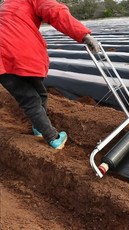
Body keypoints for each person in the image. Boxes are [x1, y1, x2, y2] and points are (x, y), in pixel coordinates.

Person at [0, 0, 100, 149]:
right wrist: (83, 34)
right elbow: (55, 12)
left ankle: (39, 126)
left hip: (6, 58)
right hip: (20, 51)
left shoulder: (6, 5)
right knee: (32, 100)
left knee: (39, 94)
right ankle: (52, 137)